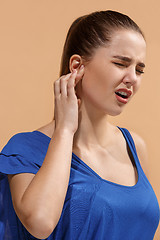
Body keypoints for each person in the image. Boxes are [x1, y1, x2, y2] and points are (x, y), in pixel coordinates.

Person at [0, 10, 159, 240]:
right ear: (76, 66)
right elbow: (40, 222)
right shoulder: (25, 150)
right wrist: (65, 130)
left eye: (139, 69)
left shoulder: (134, 146)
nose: (133, 77)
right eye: (120, 63)